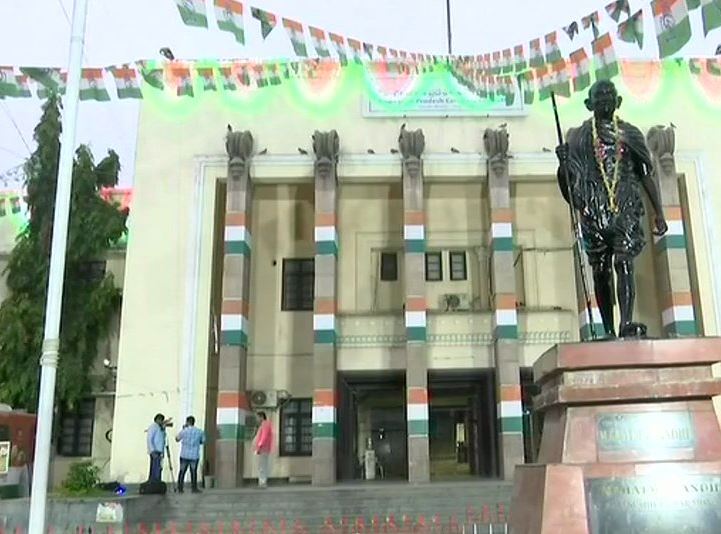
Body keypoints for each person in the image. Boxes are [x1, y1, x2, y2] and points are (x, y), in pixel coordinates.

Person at [556, 79, 667, 338]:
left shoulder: (630, 133)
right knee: (601, 271)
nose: (605, 99)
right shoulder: (577, 138)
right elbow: (569, 191)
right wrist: (562, 164)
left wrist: (659, 211)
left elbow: (645, 174)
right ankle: (607, 329)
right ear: (588, 104)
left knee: (624, 261)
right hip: (595, 211)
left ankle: (626, 322)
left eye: (609, 95)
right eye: (599, 96)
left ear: (618, 102)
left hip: (624, 206)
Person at [175, 415, 205, 493]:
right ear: (193, 422)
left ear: (187, 422)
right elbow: (203, 441)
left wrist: (183, 429)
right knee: (193, 472)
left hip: (184, 454)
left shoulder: (184, 431)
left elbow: (177, 439)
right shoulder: (199, 431)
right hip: (194, 455)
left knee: (182, 471)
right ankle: (194, 488)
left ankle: (180, 488)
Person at [146, 413, 169, 482]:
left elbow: (163, 438)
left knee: (158, 468)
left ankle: (157, 481)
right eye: (161, 420)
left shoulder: (160, 427)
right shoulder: (153, 427)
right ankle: (154, 481)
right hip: (155, 451)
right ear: (158, 420)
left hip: (159, 451)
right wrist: (152, 450)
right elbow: (149, 439)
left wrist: (163, 429)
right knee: (155, 468)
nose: (162, 421)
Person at [254, 412, 273, 488]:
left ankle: (262, 482)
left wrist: (259, 446)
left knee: (262, 466)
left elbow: (264, 437)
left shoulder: (265, 425)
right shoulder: (264, 425)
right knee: (262, 465)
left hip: (263, 448)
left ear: (261, 417)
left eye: (258, 417)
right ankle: (262, 481)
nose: (257, 419)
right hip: (264, 448)